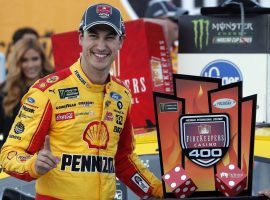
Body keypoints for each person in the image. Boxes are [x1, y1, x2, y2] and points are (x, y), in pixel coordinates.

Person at [0, 3, 163, 199]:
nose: (101, 46)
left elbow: (123, 160)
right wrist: (32, 165)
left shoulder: (122, 94)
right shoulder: (47, 92)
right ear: (81, 38)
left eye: (109, 37)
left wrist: (159, 190)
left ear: (121, 42)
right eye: (93, 36)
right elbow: (9, 153)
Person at [0, 38, 53, 148]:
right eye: (25, 60)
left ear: (42, 59)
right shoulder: (5, 91)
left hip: (48, 158)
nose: (30, 65)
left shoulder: (55, 86)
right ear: (18, 62)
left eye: (34, 59)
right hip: (12, 159)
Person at [145, 0, 188, 73]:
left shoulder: (185, 54)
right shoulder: (142, 58)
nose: (178, 24)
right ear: (156, 23)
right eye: (175, 19)